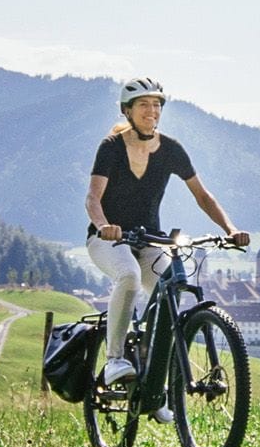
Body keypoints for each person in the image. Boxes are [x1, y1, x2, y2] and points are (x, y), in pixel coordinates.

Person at [84, 77, 249, 422]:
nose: (152, 110)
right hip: (108, 239)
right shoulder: (111, 147)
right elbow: (93, 199)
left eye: (157, 104)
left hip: (149, 240)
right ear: (127, 111)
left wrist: (230, 230)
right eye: (144, 104)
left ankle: (154, 384)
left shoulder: (171, 149)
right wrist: (104, 227)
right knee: (128, 276)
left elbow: (203, 197)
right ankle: (115, 358)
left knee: (170, 293)